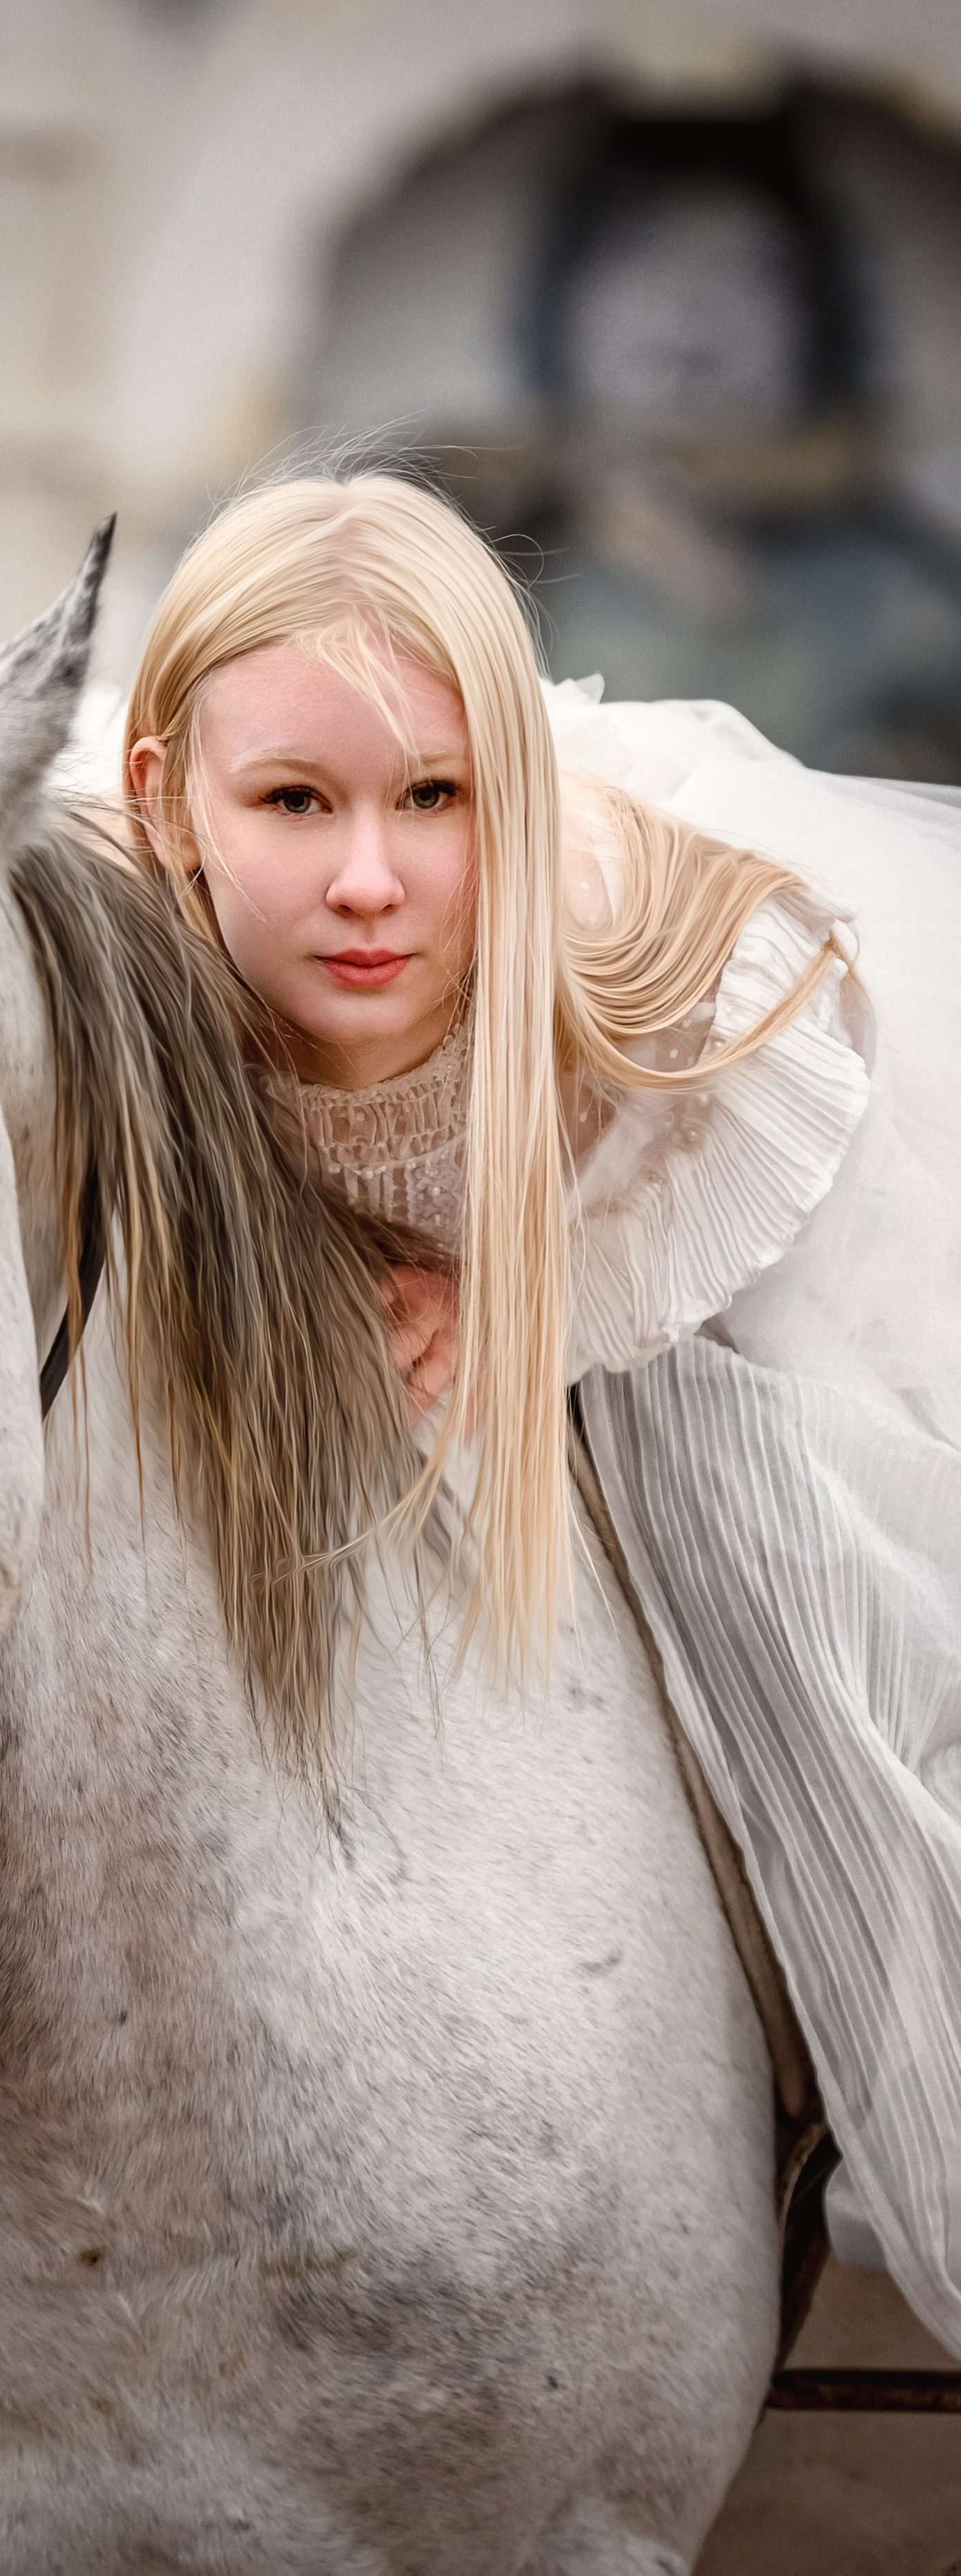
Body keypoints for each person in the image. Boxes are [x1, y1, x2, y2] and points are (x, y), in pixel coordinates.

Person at [120, 468, 961, 2358]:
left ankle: (796, 2097)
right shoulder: (113, 929)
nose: (368, 879)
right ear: (173, 800)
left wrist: (525, 1288)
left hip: (611, 1180)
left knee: (802, 1627)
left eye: (435, 797)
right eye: (295, 804)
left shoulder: (609, 918)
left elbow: (785, 1052)